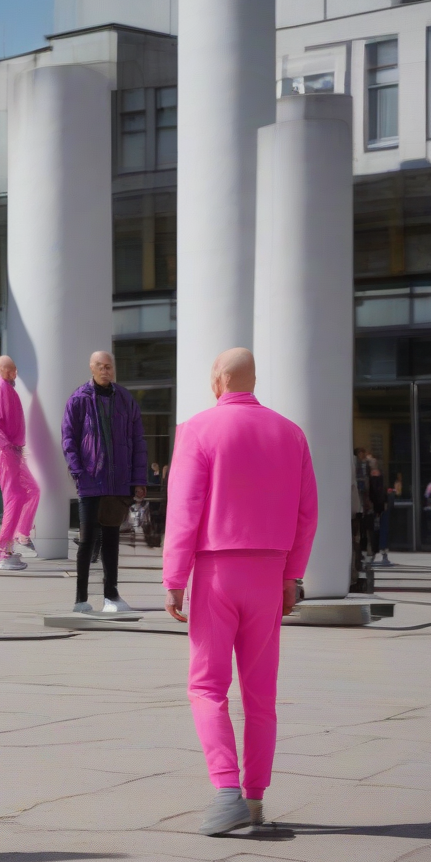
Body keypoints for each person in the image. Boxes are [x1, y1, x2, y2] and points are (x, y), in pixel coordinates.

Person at [163, 348, 318, 836]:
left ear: (218, 379)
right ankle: (253, 800)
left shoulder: (198, 430)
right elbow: (306, 513)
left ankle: (226, 789)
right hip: (269, 574)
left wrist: (174, 578)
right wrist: (292, 575)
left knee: (207, 686)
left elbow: (183, 511)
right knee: (260, 693)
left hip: (216, 570)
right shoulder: (290, 433)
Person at [62, 350, 147, 614]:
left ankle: (112, 596)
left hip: (118, 484)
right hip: (90, 482)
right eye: (101, 366)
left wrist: (138, 480)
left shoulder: (125, 399)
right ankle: (81, 599)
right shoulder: (78, 400)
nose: (106, 370)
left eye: (109, 366)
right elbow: (69, 440)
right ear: (92, 368)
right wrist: (78, 472)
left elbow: (138, 442)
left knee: (111, 541)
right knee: (87, 541)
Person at [0, 355, 40, 571]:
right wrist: (8, 448)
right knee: (15, 497)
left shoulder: (7, 389)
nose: (14, 373)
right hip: (9, 453)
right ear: (0, 370)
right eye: (10, 369)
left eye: (15, 369)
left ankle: (22, 536)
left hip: (14, 452)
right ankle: (4, 550)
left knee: (32, 490)